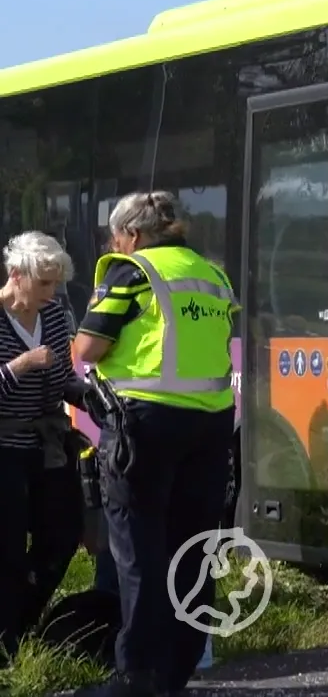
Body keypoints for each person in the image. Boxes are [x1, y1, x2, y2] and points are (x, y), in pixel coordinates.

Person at [70, 191, 236, 697]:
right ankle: (176, 672)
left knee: (139, 551)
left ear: (133, 235)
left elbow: (87, 347)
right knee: (193, 548)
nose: (113, 243)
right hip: (210, 426)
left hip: (144, 428)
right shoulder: (213, 275)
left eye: (114, 236)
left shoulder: (131, 271)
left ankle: (135, 676)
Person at [0, 231, 83, 659]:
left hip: (47, 440)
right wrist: (21, 364)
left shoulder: (51, 315)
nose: (52, 293)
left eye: (56, 283)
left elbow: (64, 376)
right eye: (45, 283)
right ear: (17, 275)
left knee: (65, 533)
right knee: (9, 546)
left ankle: (25, 619)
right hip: (5, 444)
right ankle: (7, 642)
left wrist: (87, 395)